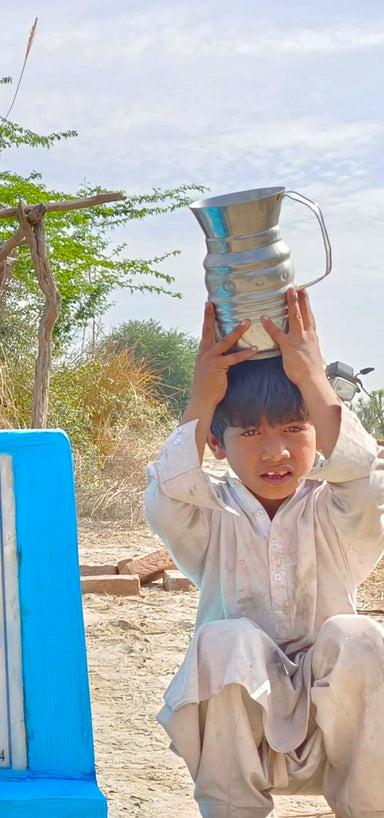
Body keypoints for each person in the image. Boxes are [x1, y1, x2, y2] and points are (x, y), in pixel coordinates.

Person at [144, 288, 384, 818]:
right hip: (242, 739)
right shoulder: (208, 515)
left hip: (338, 736)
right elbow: (165, 494)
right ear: (217, 442)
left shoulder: (337, 510)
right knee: (223, 641)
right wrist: (202, 397)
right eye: (250, 431)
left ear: (318, 434)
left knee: (360, 635)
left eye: (294, 428)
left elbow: (367, 478)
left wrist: (313, 376)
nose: (274, 450)